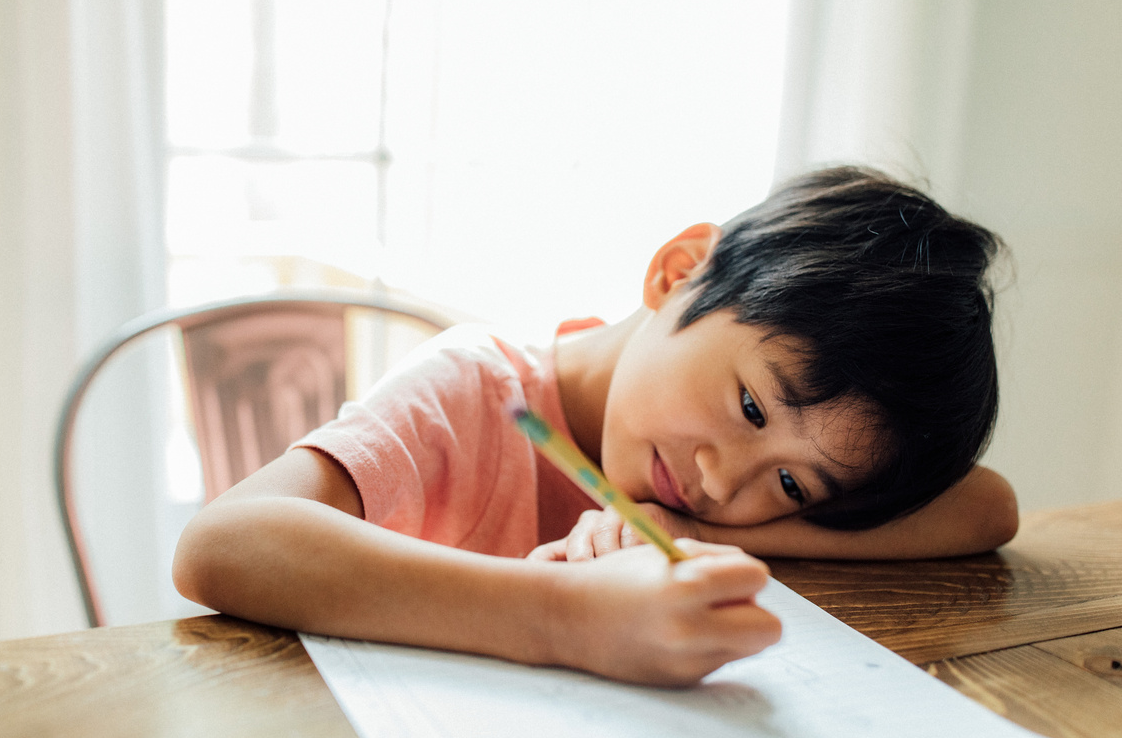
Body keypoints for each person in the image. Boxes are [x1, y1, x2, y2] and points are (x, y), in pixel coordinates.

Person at [173, 165, 1017, 687]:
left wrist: (688, 528)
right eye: (752, 407)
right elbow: (223, 543)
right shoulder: (475, 392)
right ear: (679, 270)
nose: (726, 482)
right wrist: (566, 616)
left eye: (793, 485)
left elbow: (985, 508)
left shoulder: (709, 501)